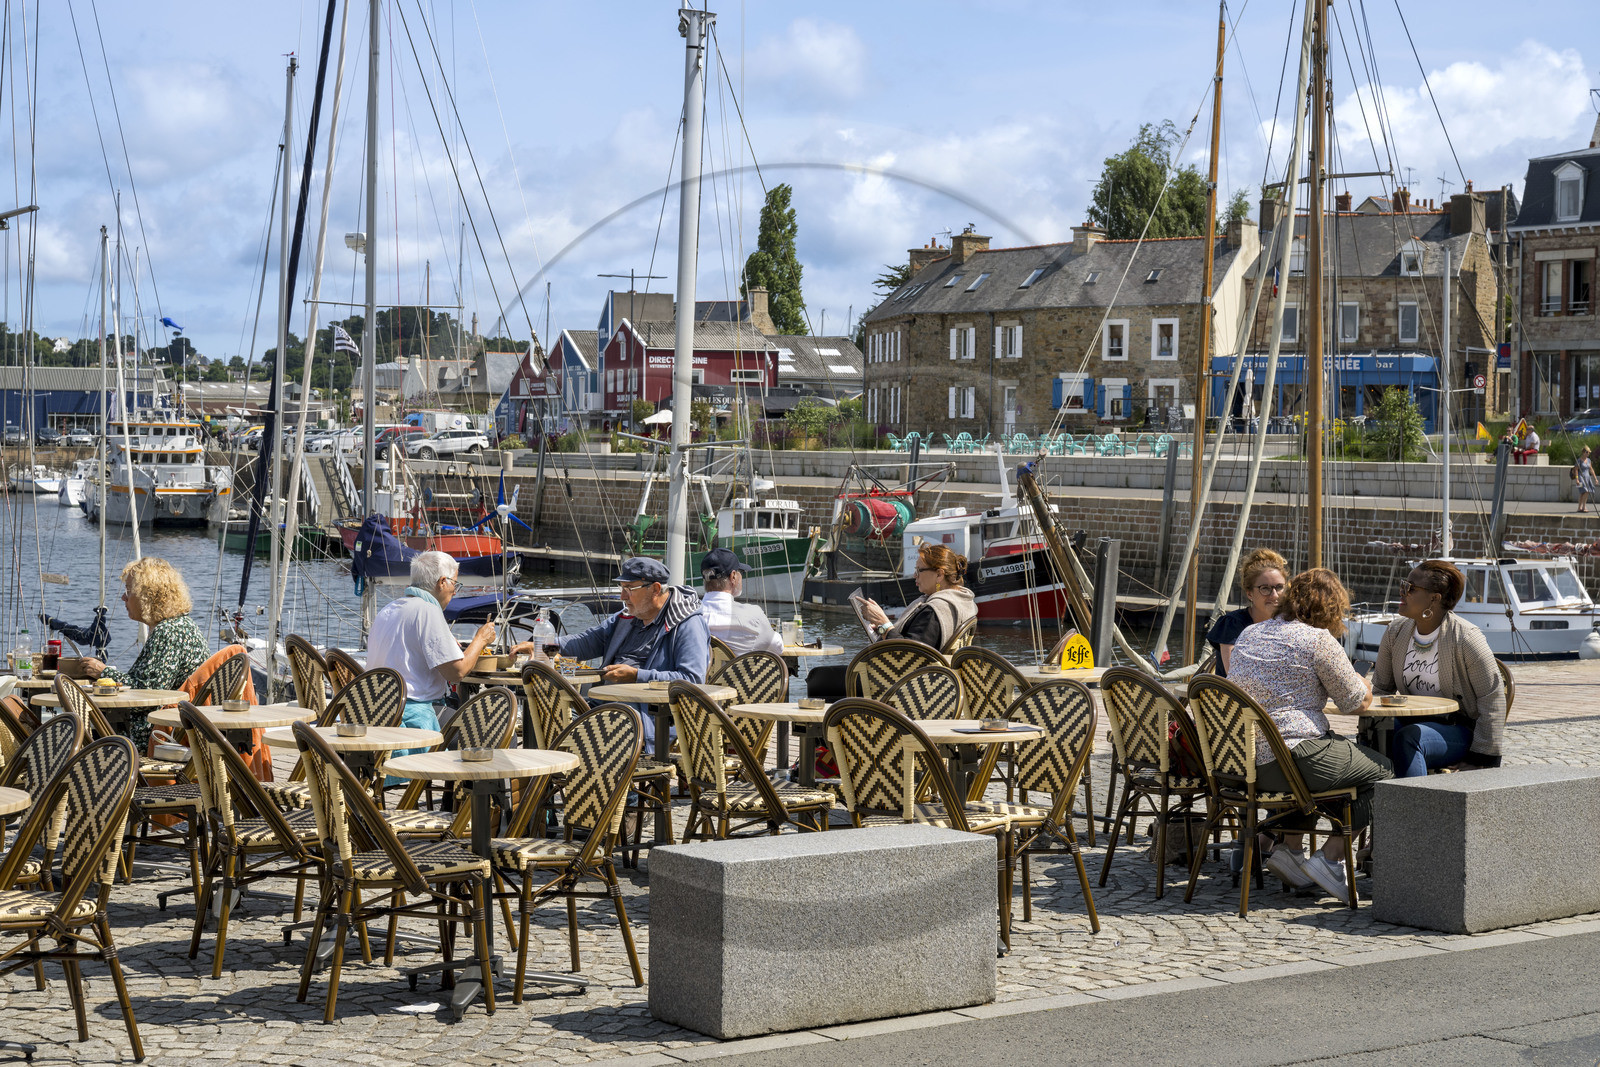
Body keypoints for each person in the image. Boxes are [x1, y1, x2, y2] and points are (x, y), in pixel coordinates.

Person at [1227, 568, 1392, 903]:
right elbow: (1356, 702)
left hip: (1246, 760)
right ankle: (1331, 859)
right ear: (1330, 609)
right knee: (1384, 773)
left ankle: (1290, 852)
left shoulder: (1250, 634)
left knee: (1325, 762)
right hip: (1292, 758)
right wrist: (1363, 682)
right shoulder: (1317, 640)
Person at [541, 556, 708, 745]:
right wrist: (544, 647)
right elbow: (586, 642)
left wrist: (636, 676)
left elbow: (693, 680)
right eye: (622, 588)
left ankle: (584, 770)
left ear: (655, 589)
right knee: (549, 710)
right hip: (608, 707)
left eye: (629, 589)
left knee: (587, 731)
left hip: (651, 718)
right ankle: (552, 771)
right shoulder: (627, 617)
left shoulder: (688, 624)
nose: (622, 596)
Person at [1374, 560, 1505, 777]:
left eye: (1410, 588)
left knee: (1409, 737)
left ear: (1434, 598)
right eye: (1402, 585)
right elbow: (1380, 689)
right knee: (1378, 732)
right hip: (1411, 720)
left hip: (1458, 729)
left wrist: (1480, 758)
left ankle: (1416, 809)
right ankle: (1372, 803)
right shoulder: (1395, 633)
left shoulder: (1465, 638)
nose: (1402, 592)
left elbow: (1492, 698)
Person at [367, 551, 497, 766]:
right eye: (456, 584)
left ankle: (456, 798)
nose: (455, 591)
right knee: (496, 730)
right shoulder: (427, 610)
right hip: (409, 716)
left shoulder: (390, 609)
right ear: (442, 582)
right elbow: (457, 673)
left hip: (379, 713)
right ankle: (483, 798)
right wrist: (480, 640)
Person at [80, 557, 212, 750]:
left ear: (148, 596)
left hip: (156, 736)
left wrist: (103, 672)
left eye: (128, 591)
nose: (124, 598)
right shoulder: (179, 626)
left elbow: (146, 692)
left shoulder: (169, 631)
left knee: (75, 729)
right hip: (175, 727)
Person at [857, 544, 977, 649]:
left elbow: (910, 654)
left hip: (912, 674)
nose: (915, 575)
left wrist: (883, 623)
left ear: (939, 575)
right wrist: (881, 629)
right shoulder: (963, 602)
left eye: (919, 570)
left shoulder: (934, 611)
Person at [1205, 547, 1288, 677]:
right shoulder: (1232, 624)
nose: (1274, 595)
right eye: (1265, 588)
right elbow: (1234, 675)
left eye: (1279, 587)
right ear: (1250, 594)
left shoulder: (1290, 623)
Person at [699, 547, 783, 656]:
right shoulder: (753, 616)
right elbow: (777, 647)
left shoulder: (688, 615)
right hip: (738, 673)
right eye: (741, 573)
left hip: (702, 673)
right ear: (733, 577)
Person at [1575, 446, 1596, 512]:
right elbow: (1576, 470)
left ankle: (1579, 508)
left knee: (1583, 493)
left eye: (1589, 452)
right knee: (1586, 491)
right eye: (1587, 452)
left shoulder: (1589, 460)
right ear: (1583, 452)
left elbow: (1591, 469)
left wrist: (1595, 478)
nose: (1588, 453)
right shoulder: (1579, 460)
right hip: (1581, 477)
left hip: (1587, 478)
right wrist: (1577, 479)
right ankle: (1584, 507)